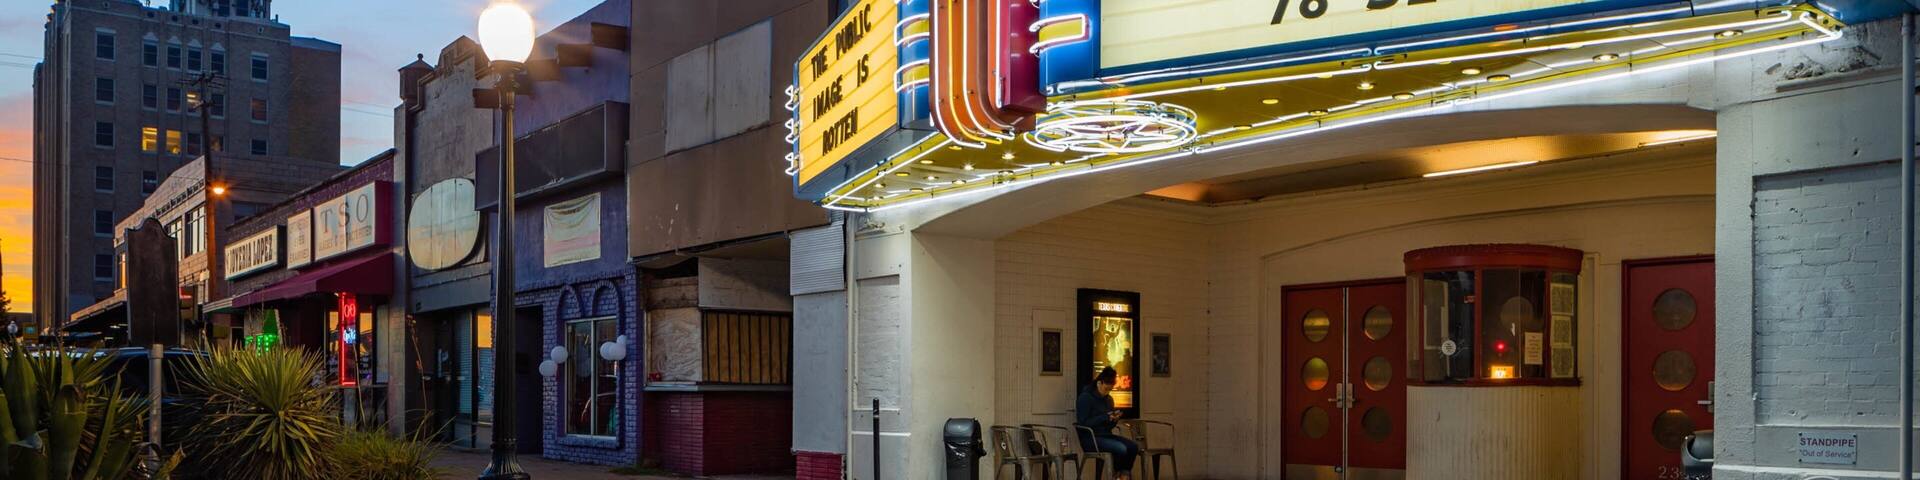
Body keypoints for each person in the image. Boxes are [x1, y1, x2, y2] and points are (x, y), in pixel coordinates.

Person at [1077, 366, 1139, 480]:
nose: (1107, 392)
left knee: (1133, 447)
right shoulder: (1086, 398)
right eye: (1106, 389)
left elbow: (1108, 425)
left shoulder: (1109, 399)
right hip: (1090, 438)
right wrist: (1104, 417)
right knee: (1121, 448)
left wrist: (1113, 419)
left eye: (1110, 390)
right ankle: (1117, 475)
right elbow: (1083, 423)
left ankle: (1123, 475)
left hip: (1106, 435)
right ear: (1099, 383)